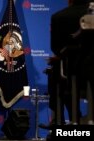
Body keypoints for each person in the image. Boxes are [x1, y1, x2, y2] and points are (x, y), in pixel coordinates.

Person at [39, 0, 91, 130]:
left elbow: (56, 48)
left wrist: (62, 56)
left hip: (71, 71)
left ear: (69, 0)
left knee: (58, 74)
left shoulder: (58, 17)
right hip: (87, 71)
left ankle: (59, 121)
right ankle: (73, 118)